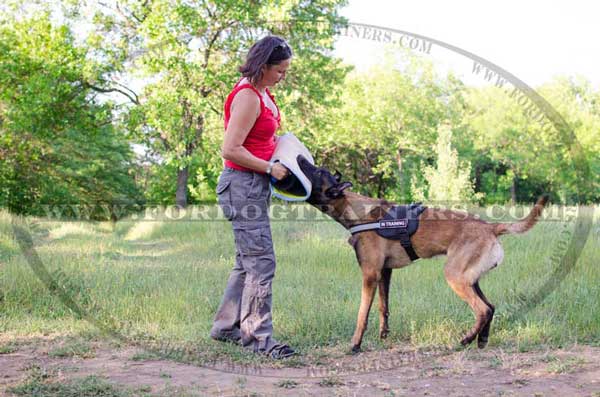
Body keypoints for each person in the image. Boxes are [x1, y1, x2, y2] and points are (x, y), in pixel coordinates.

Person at [209, 36, 296, 359]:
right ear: (263, 66)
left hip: (253, 185)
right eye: (280, 70)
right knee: (261, 261)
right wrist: (269, 168)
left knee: (246, 262)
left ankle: (225, 326)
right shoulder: (247, 96)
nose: (282, 76)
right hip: (241, 184)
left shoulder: (263, 93)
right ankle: (259, 338)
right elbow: (230, 149)